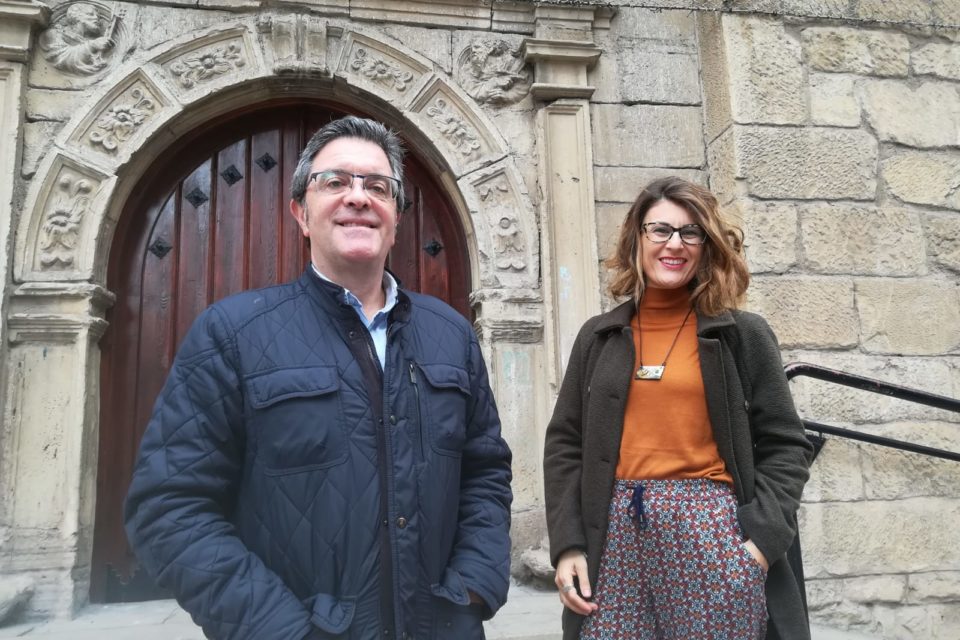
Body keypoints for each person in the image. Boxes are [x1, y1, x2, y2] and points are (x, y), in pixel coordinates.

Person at [125, 115, 513, 640]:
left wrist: (471, 590)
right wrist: (278, 629)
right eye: (335, 182)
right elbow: (168, 507)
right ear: (300, 213)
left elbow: (485, 471)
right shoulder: (233, 333)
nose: (359, 197)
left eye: (378, 186)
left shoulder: (452, 334)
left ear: (396, 216)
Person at [543, 177, 813, 640]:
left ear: (707, 246)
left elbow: (787, 445)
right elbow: (565, 443)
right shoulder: (598, 336)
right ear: (637, 239)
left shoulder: (741, 335)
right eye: (661, 230)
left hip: (711, 531)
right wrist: (568, 545)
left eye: (692, 233)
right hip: (613, 537)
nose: (675, 244)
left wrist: (757, 549)